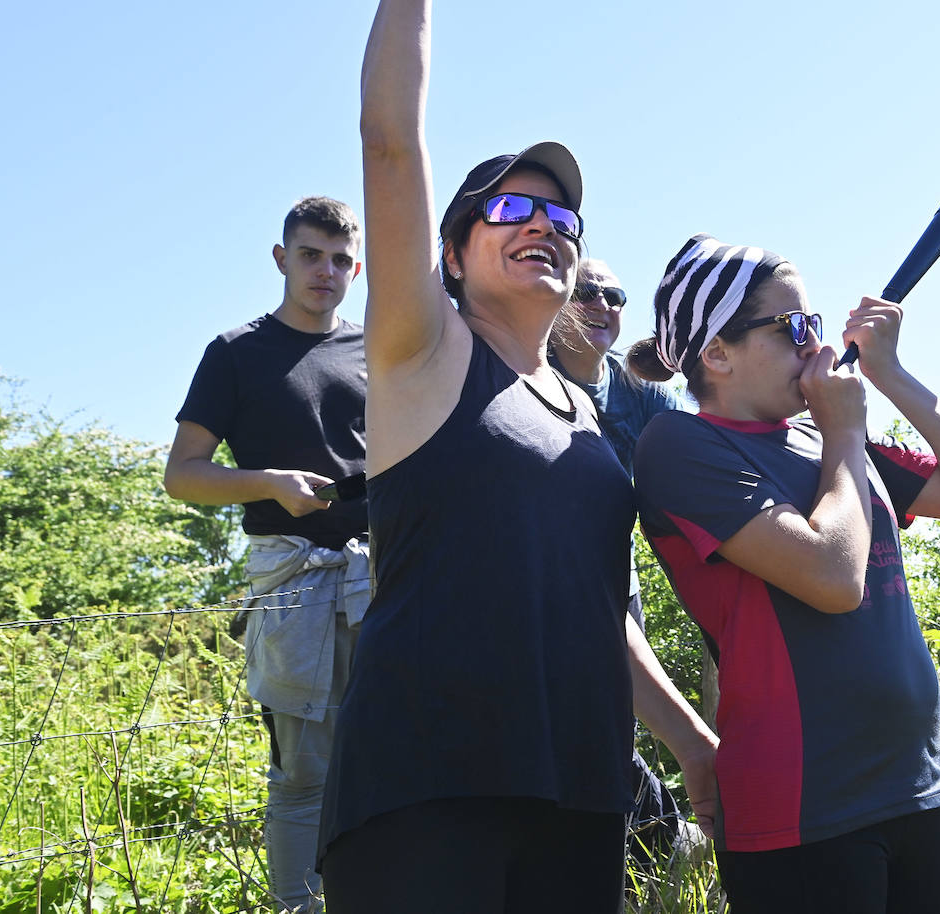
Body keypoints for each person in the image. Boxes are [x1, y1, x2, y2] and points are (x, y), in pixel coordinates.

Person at [316, 3, 718, 911]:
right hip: (427, 789)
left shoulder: (588, 415)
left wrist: (693, 744)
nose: (543, 223)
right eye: (509, 209)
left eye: (561, 215)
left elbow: (598, 607)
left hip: (579, 794)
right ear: (452, 255)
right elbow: (389, 142)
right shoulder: (425, 354)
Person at [629, 234, 940, 914]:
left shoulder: (827, 440)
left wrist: (893, 377)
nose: (816, 348)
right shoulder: (681, 446)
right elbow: (833, 577)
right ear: (717, 353)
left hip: (916, 785)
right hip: (802, 812)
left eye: (815, 327)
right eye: (792, 329)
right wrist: (846, 433)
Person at [164, 196, 368, 913]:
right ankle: (297, 907)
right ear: (281, 259)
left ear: (358, 267)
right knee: (303, 774)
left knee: (389, 760)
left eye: (342, 259)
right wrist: (268, 485)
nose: (326, 271)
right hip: (292, 582)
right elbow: (182, 474)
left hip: (382, 577)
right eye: (311, 254)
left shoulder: (378, 351)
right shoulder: (235, 352)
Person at [548, 260, 704, 867]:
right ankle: (659, 849)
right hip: (538, 580)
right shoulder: (523, 376)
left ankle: (641, 861)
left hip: (615, 580)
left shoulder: (644, 395)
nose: (603, 304)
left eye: (614, 295)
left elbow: (691, 474)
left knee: (613, 727)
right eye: (587, 292)